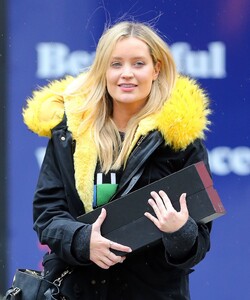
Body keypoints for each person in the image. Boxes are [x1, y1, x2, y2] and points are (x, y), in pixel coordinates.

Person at [23, 20, 212, 300]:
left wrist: (179, 231)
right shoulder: (68, 132)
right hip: (77, 290)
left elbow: (198, 243)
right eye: (116, 64)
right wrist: (84, 241)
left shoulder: (180, 138)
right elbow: (47, 215)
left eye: (138, 64)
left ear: (156, 69)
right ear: (102, 70)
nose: (127, 74)